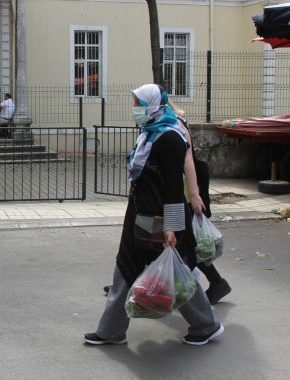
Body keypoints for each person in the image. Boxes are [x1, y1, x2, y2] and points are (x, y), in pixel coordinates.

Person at [84, 84, 223, 346]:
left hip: (161, 218)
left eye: (138, 103)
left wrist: (172, 227)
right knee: (126, 266)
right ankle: (111, 331)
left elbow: (172, 186)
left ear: (153, 104)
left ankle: (206, 325)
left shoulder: (169, 138)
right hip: (140, 213)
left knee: (176, 270)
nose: (134, 109)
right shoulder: (148, 134)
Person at [103, 104, 231, 305]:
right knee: (171, 246)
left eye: (140, 103)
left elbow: (188, 161)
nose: (135, 108)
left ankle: (210, 288)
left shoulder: (174, 127)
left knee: (181, 246)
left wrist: (194, 195)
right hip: (172, 195)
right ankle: (132, 282)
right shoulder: (154, 126)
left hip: (180, 195)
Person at [174, 106, 232, 305]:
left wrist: (194, 195)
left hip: (183, 192)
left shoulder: (175, 122)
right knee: (180, 244)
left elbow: (186, 159)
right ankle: (127, 283)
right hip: (181, 191)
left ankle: (214, 284)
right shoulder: (168, 120)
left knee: (186, 245)